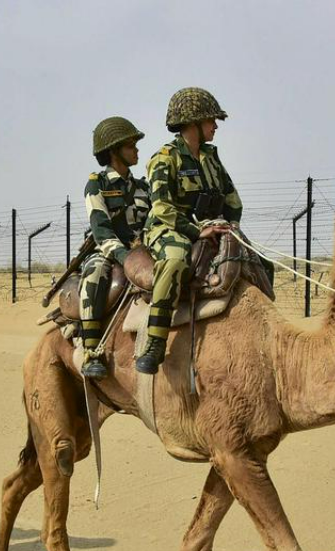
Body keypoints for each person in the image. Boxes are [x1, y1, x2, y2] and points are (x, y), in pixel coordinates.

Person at [137, 87, 241, 374]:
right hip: (168, 227)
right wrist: (195, 232)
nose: (216, 126)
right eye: (211, 120)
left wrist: (230, 226)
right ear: (192, 123)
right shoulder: (164, 158)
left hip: (210, 226)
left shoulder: (211, 159)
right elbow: (161, 207)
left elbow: (233, 199)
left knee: (252, 259)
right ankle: (155, 342)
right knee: (174, 259)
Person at [79, 116, 149, 378]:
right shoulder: (97, 184)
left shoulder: (143, 187)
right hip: (108, 252)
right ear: (114, 150)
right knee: (95, 275)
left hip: (143, 252)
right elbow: (101, 229)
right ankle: (90, 350)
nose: (137, 150)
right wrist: (124, 255)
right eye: (131, 145)